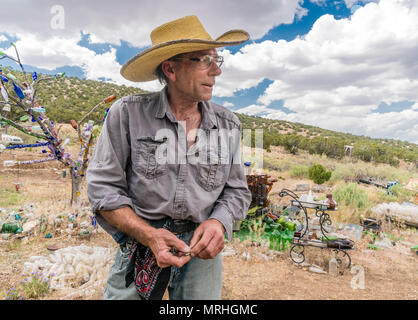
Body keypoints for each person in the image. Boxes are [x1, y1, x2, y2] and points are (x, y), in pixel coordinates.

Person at [86, 15, 252, 300]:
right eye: (204, 60)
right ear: (171, 69)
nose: (216, 72)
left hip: (201, 253)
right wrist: (149, 236)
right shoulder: (127, 114)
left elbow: (237, 191)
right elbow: (102, 190)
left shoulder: (229, 125)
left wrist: (218, 222)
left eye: (217, 60)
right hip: (141, 242)